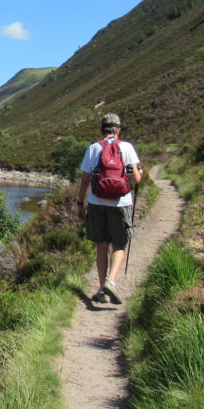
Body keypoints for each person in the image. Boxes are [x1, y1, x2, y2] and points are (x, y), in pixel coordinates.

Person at [75, 113, 143, 305]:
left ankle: (101, 290)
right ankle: (111, 282)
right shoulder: (127, 147)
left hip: (97, 203)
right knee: (119, 245)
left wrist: (80, 203)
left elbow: (85, 180)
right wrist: (140, 172)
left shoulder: (94, 148)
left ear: (101, 130)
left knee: (101, 246)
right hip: (121, 204)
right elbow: (136, 179)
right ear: (118, 130)